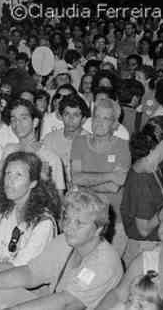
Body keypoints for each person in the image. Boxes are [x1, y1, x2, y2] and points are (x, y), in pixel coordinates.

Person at [0, 190, 124, 309]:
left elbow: (67, 303)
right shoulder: (64, 241)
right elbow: (32, 273)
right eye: (67, 219)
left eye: (80, 223)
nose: (69, 227)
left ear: (99, 229)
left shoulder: (105, 262)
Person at [119, 117, 163, 265]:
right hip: (143, 248)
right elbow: (144, 229)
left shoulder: (153, 167)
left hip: (153, 245)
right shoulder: (142, 177)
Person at [72, 97, 133, 255]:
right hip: (82, 220)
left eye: (106, 118)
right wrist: (110, 175)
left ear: (115, 124)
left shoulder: (123, 146)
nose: (99, 122)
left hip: (114, 223)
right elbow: (76, 178)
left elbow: (115, 185)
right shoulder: (79, 142)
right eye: (97, 116)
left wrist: (84, 184)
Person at [0, 98, 66, 192]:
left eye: (23, 118)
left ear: (35, 122)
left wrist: (45, 181)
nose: (17, 123)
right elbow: (1, 188)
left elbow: (59, 199)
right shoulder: (9, 150)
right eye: (13, 119)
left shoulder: (50, 158)